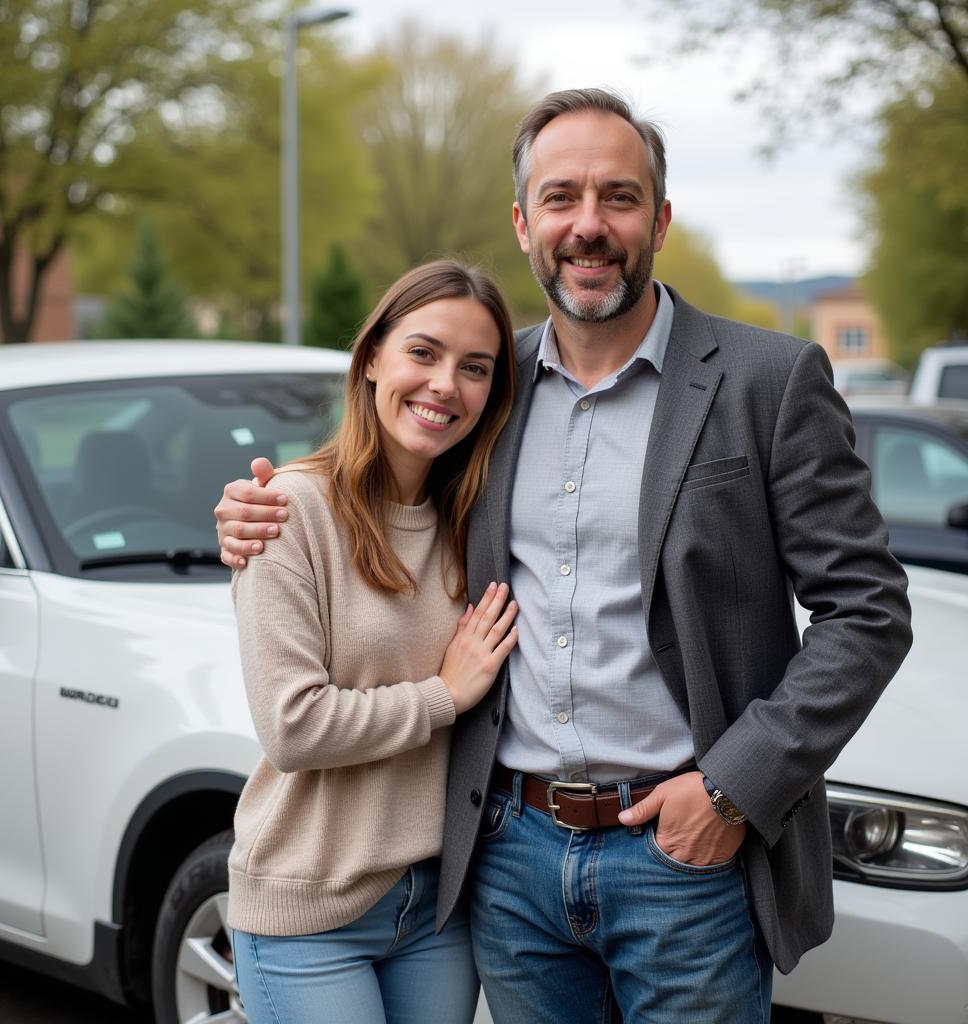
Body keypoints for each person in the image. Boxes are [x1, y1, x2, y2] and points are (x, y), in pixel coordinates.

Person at [217, 89, 912, 1024]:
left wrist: (731, 790)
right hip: (507, 860)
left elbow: (867, 610)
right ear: (523, 222)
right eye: (562, 197)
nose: (590, 225)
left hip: (681, 861)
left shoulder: (766, 381)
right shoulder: (488, 388)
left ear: (659, 219)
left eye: (619, 197)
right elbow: (378, 489)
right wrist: (252, 510)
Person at [227, 259, 518, 1024]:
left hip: (436, 910)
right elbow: (292, 727)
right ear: (371, 361)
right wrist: (443, 696)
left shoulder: (478, 522)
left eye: (475, 368)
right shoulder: (290, 511)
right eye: (423, 353)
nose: (445, 385)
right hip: (308, 909)